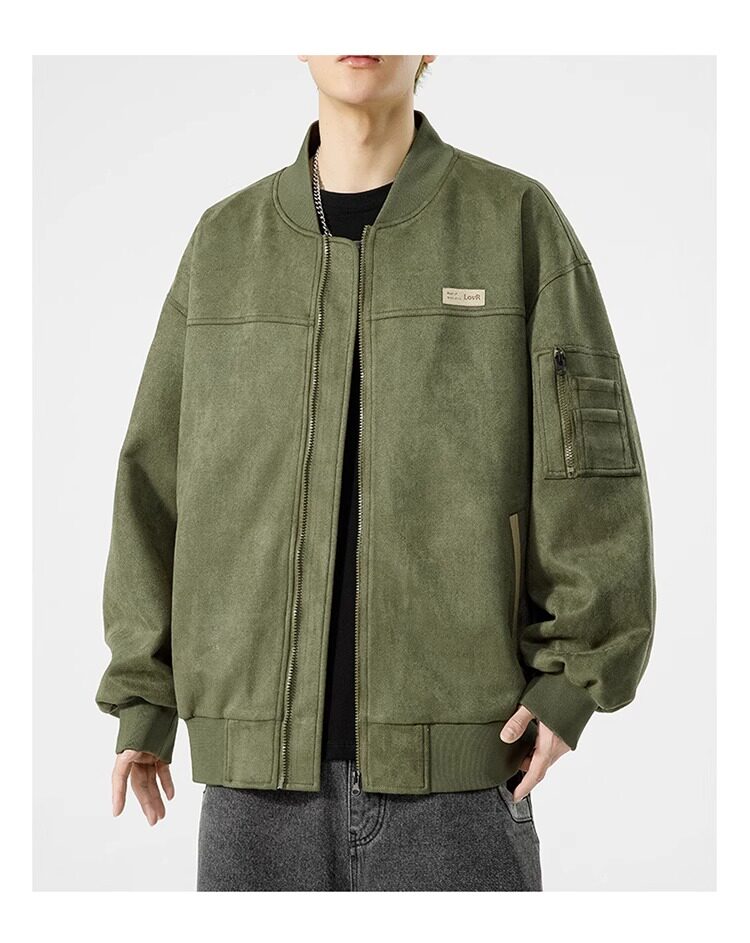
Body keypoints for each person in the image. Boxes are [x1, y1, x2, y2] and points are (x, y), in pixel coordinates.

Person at [95, 55, 656, 892]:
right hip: (254, 796)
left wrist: (573, 679)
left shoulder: (514, 221)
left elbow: (590, 464)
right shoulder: (225, 244)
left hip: (463, 785)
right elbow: (154, 478)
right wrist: (144, 694)